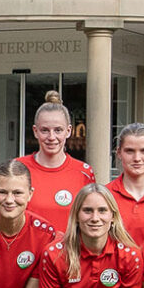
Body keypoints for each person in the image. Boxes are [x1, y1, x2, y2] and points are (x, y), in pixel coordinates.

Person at [16, 98, 96, 233]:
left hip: (68, 252)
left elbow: (89, 219)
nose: (51, 137)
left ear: (68, 131)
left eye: (58, 130)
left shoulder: (84, 172)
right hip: (26, 252)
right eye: (45, 130)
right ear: (35, 131)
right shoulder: (18, 168)